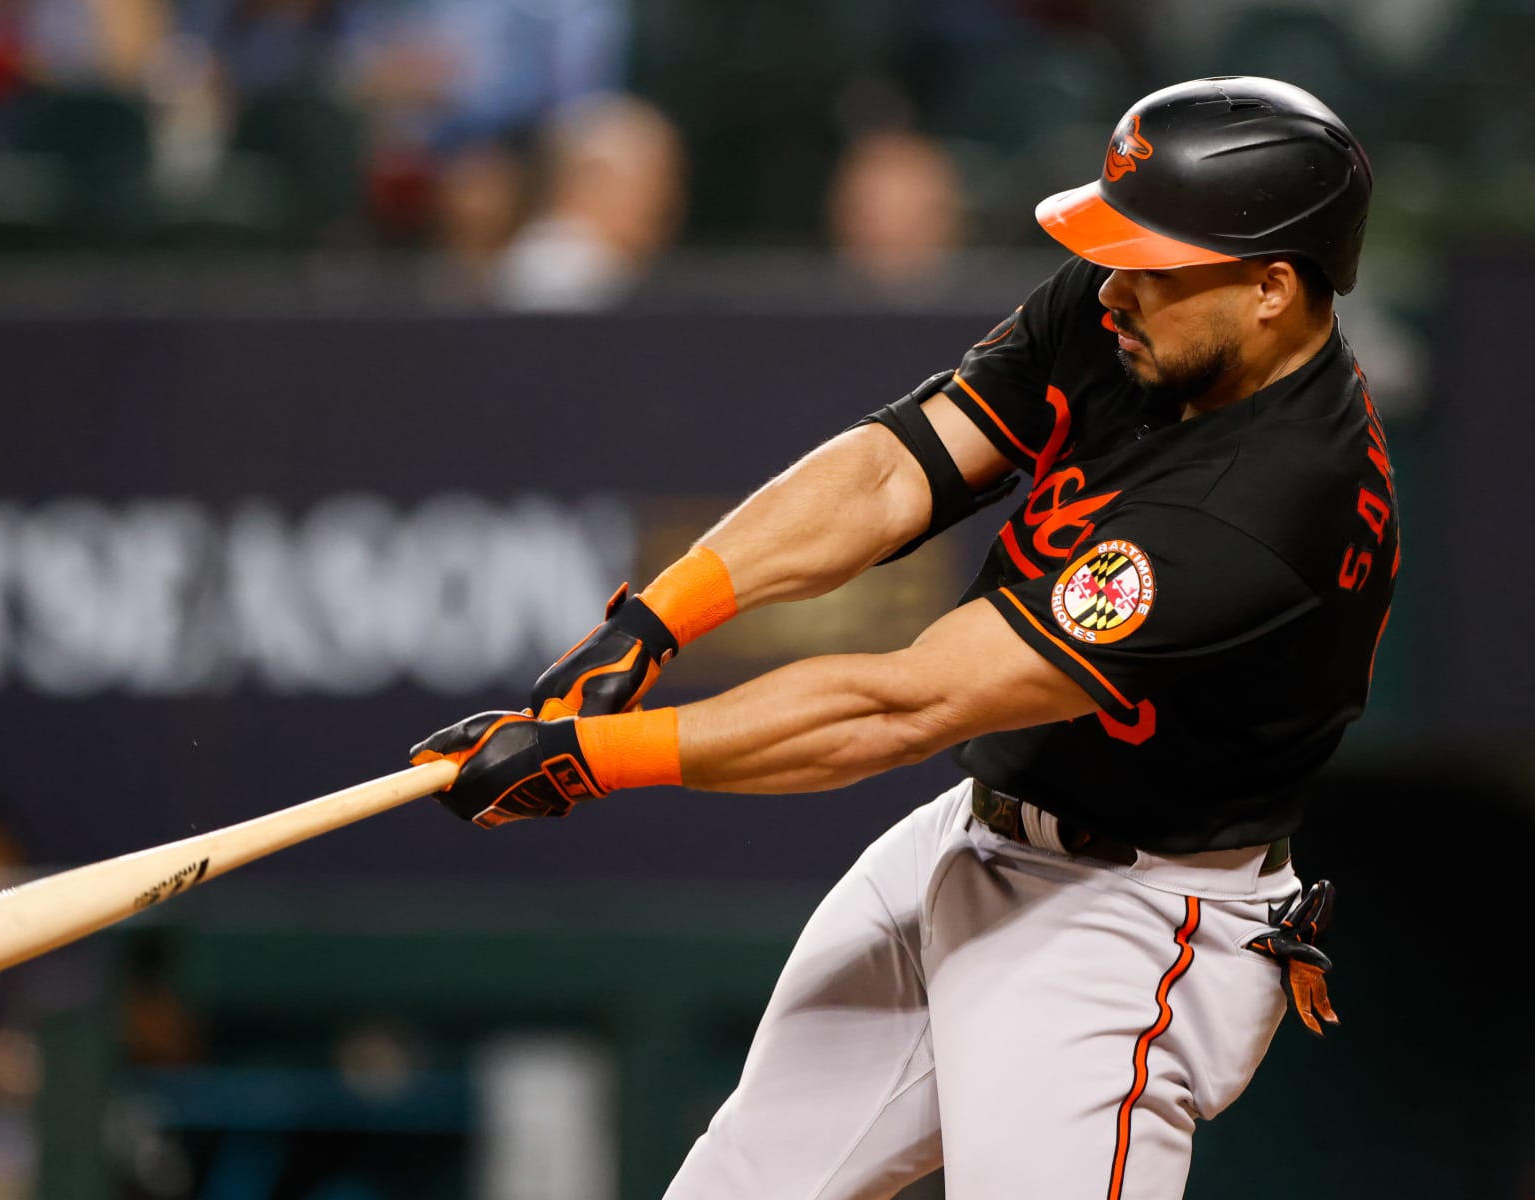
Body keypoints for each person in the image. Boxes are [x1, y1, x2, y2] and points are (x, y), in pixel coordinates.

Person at [409, 75, 1392, 1198]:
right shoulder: (1143, 316)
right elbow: (895, 468)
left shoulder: (1266, 507)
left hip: (1129, 925)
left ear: (1272, 288)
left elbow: (904, 705)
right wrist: (652, 621)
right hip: (978, 841)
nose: (1113, 283)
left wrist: (598, 758)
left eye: (1153, 262)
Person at [492, 90, 683, 311]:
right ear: (593, 179)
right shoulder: (562, 275)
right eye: (655, 179)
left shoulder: (606, 272)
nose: (668, 200)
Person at [825, 126, 964, 301]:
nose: (883, 229)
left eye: (901, 214)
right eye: (867, 212)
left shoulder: (987, 312)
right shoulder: (805, 308)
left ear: (942, 219)